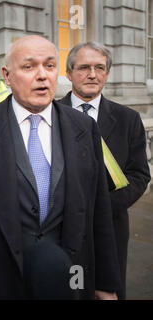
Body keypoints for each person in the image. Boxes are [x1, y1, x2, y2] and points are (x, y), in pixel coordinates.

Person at [0, 35, 121, 300]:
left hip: (68, 277)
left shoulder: (83, 127)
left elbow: (98, 213)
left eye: (49, 66)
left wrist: (105, 286)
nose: (42, 76)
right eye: (28, 67)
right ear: (7, 75)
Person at [58, 41, 151, 300]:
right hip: (58, 227)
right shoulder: (50, 114)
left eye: (100, 68)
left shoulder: (127, 119)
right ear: (68, 73)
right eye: (84, 67)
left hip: (109, 228)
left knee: (107, 292)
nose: (92, 74)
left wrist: (100, 207)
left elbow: (139, 175)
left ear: (107, 74)